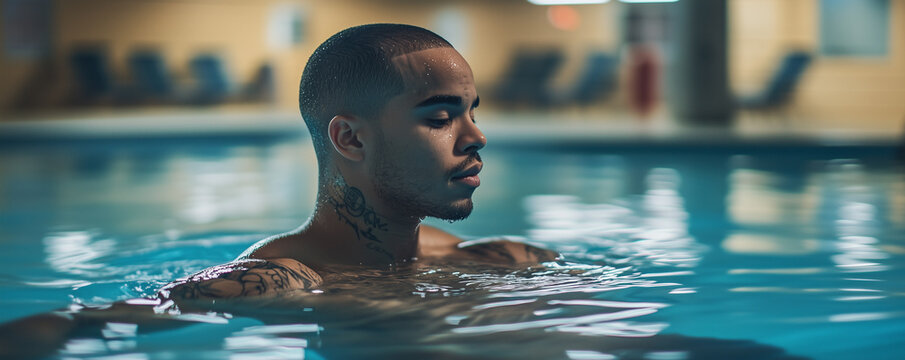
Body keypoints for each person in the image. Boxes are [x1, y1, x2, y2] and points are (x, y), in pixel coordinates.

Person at [0, 24, 558, 358]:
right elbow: (81, 325)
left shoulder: (504, 259)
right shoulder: (275, 282)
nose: (477, 136)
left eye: (471, 113)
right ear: (351, 139)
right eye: (440, 118)